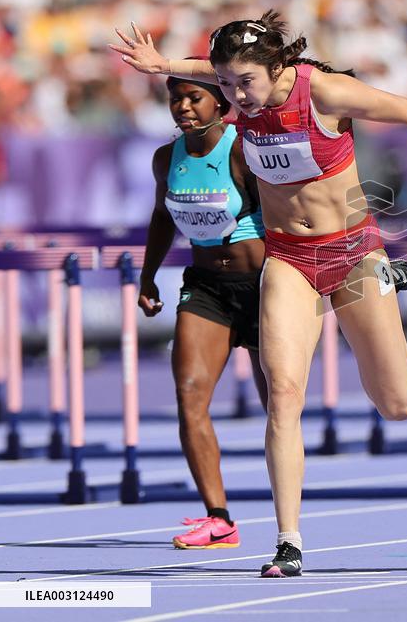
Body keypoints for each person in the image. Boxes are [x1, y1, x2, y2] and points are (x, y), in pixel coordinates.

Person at [112, 11, 407, 577]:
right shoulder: (238, 89)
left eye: (245, 84)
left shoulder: (324, 93)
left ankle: (391, 278)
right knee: (283, 395)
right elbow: (205, 69)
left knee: (397, 403)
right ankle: (288, 541)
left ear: (277, 67)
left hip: (353, 252)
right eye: (227, 85)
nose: (236, 97)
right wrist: (162, 64)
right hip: (288, 259)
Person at [139, 68, 268, 550]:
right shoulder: (164, 158)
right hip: (206, 288)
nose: (184, 107)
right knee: (189, 395)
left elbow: (283, 213)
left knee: (277, 406)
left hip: (260, 287)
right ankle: (219, 518)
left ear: (220, 103)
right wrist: (148, 274)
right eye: (176, 100)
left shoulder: (241, 150)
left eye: (194, 98)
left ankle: (287, 521)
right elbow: (159, 217)